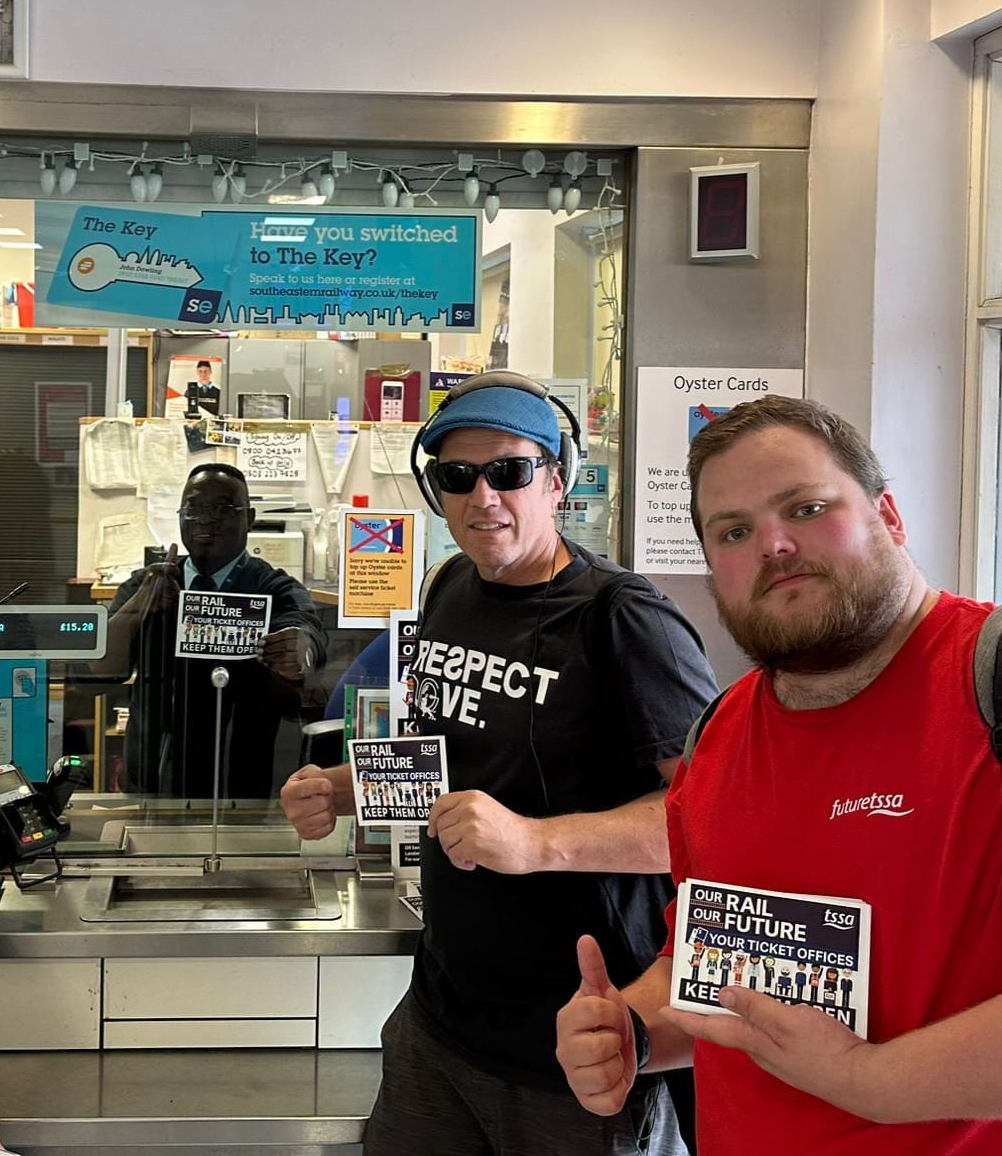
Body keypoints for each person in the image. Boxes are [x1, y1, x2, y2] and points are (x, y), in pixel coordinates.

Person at [556, 394, 1002, 1154]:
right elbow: (720, 972)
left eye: (804, 508)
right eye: (733, 531)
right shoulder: (719, 737)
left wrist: (869, 1079)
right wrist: (632, 1027)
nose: (773, 546)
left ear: (888, 516)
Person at [282, 373, 717, 1156]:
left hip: (577, 1046)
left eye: (508, 472)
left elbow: (717, 823)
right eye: (457, 476)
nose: (483, 497)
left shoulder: (623, 618)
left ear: (557, 481)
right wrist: (347, 788)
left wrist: (536, 843)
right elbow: (452, 759)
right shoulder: (451, 585)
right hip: (441, 1020)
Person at [108, 463, 326, 799]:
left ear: (249, 519)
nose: (206, 519)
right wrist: (138, 608)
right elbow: (99, 668)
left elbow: (306, 635)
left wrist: (300, 651)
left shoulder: (273, 587)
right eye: (194, 508)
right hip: (154, 781)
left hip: (242, 782)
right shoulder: (149, 584)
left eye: (223, 508)